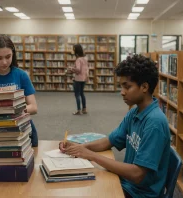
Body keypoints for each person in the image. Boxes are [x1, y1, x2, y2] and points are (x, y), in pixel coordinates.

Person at [60, 54, 170, 198]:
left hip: (140, 194)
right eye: (121, 86)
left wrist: (91, 155)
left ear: (144, 87)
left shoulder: (154, 122)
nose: (122, 92)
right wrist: (79, 148)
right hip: (128, 184)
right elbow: (109, 141)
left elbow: (137, 174)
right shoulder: (135, 112)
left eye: (127, 87)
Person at [67, 44, 89, 115]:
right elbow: (85, 69)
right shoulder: (85, 59)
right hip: (84, 78)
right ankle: (84, 109)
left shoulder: (78, 59)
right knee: (82, 93)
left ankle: (78, 110)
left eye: (73, 49)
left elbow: (78, 70)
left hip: (78, 79)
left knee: (77, 94)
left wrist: (71, 68)